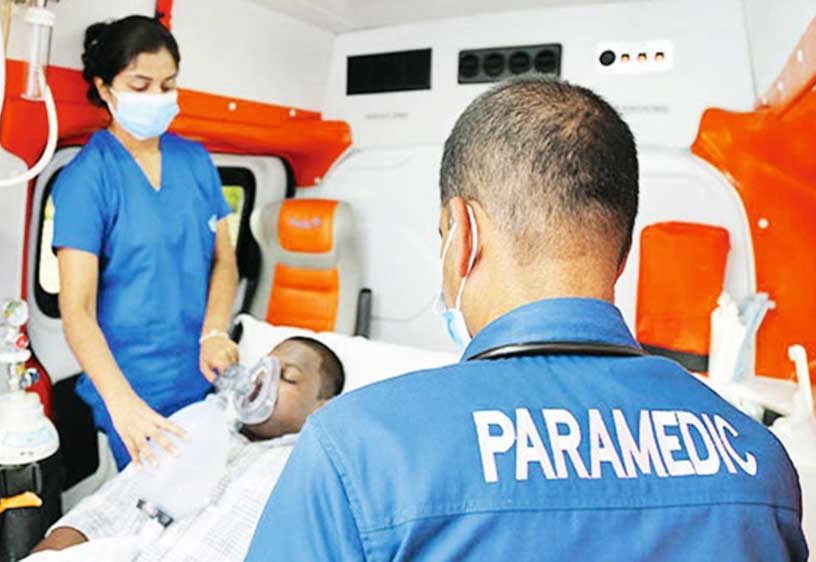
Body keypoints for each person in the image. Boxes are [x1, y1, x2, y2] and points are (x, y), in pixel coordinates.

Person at [245, 79, 808, 561]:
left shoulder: (355, 448)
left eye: (443, 237)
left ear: (462, 233)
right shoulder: (759, 461)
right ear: (622, 254)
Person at [53, 15, 239, 470]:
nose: (156, 98)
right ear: (104, 89)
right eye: (140, 86)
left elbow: (224, 259)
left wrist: (215, 330)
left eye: (167, 85)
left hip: (202, 372)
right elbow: (76, 310)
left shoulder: (195, 160)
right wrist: (123, 404)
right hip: (131, 386)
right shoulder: (86, 178)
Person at [26, 336, 346, 562]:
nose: (263, 381)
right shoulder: (197, 427)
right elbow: (103, 510)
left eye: (288, 378)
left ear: (323, 408)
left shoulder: (310, 474)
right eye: (264, 368)